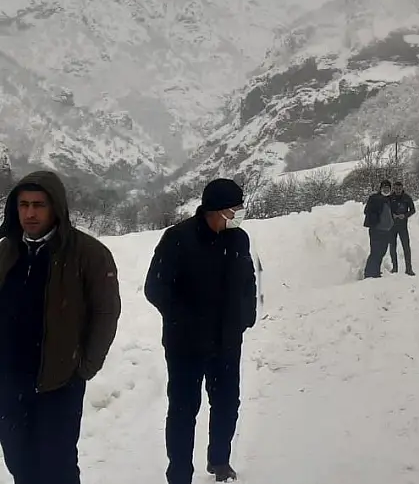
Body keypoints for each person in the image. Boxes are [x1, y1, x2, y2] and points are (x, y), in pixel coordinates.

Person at [0, 171, 121, 484]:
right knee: (18, 461)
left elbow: (105, 313)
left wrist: (84, 366)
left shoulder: (88, 254)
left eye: (38, 205)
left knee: (57, 466)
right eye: (23, 204)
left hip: (59, 383)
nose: (29, 213)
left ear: (56, 207)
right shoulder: (5, 251)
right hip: (10, 381)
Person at [144, 179, 257, 484]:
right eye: (235, 208)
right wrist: (186, 322)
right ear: (216, 210)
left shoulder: (239, 239)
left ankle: (220, 461)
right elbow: (155, 288)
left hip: (227, 342)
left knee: (226, 405)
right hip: (186, 346)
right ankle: (179, 474)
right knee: (183, 411)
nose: (239, 213)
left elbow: (248, 280)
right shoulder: (177, 239)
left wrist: (246, 316)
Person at [363, 180, 394, 278]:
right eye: (384, 188)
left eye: (388, 188)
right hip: (376, 229)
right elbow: (366, 211)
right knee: (375, 251)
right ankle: (369, 273)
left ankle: (376, 271)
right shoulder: (374, 198)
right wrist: (375, 217)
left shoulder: (390, 199)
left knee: (382, 251)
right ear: (380, 188)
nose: (386, 189)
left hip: (387, 230)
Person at [387, 181, 416, 276]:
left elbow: (413, 210)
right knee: (392, 247)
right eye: (396, 189)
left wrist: (405, 215)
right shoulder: (390, 198)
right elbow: (386, 210)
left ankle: (409, 268)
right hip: (392, 226)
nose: (398, 191)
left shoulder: (407, 198)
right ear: (393, 189)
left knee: (406, 247)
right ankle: (395, 267)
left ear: (402, 188)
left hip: (403, 226)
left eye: (399, 189)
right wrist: (392, 215)